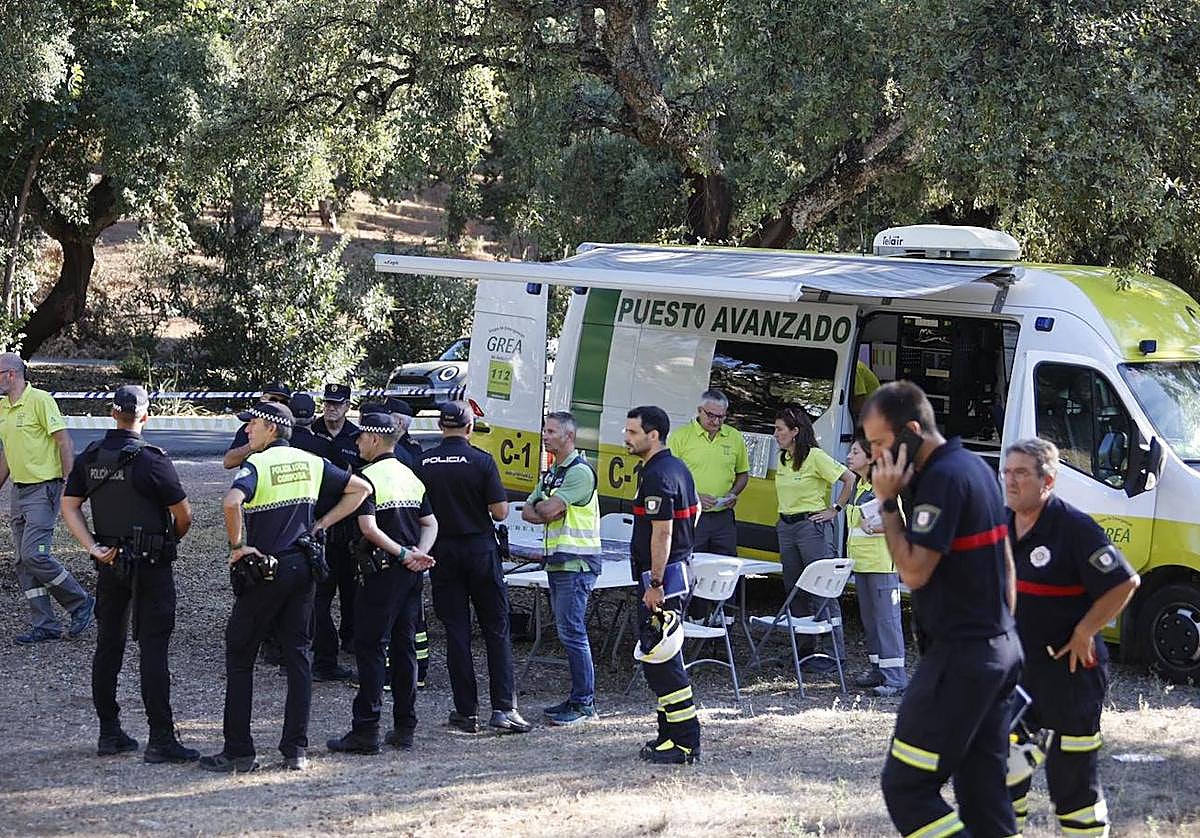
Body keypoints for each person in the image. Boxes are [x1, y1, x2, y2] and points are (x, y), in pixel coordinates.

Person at [864, 381, 1022, 838]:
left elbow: (913, 572)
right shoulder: (973, 465)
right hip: (998, 649)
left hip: (961, 657)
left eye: (879, 443)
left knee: (907, 786)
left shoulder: (943, 479)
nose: (874, 455)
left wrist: (888, 504)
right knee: (982, 791)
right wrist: (1003, 633)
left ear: (911, 430)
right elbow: (1006, 562)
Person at [200, 402, 369, 773]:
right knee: (298, 657)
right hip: (304, 566)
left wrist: (236, 547)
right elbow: (360, 489)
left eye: (254, 425)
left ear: (272, 430)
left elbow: (231, 501)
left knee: (240, 654)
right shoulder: (310, 460)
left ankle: (239, 751)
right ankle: (296, 750)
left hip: (266, 568)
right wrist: (321, 523)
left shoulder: (257, 464)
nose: (248, 431)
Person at [1003, 438, 1138, 837]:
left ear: (1048, 480)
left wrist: (1085, 631)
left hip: (1070, 675)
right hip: (1017, 676)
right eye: (1007, 472)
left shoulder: (1075, 528)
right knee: (1005, 774)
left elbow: (1124, 583)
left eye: (1021, 473)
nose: (1011, 481)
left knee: (1073, 786)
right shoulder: (1000, 525)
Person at [60, 385, 198, 762]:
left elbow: (69, 506)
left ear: (111, 413)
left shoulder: (91, 456)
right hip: (151, 565)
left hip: (109, 563)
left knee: (108, 645)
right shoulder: (152, 460)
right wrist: (169, 540)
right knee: (153, 649)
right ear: (145, 417)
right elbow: (183, 515)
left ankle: (109, 732)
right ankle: (161, 740)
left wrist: (92, 548)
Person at [328, 412, 437, 755]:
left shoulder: (366, 478)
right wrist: (419, 553)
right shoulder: (410, 475)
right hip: (410, 573)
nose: (356, 442)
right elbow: (431, 523)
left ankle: (366, 730)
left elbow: (369, 529)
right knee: (404, 648)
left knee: (371, 648)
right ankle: (405, 727)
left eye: (360, 437)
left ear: (374, 440)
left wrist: (404, 552)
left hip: (381, 572)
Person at [420, 401, 531, 734]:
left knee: (457, 633)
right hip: (480, 550)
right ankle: (503, 708)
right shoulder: (481, 461)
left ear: (441, 428)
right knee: (496, 629)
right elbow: (499, 512)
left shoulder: (422, 462)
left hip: (442, 552)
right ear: (469, 428)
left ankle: (466, 712)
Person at [625, 405, 702, 765]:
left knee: (662, 660)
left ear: (653, 435)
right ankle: (668, 734)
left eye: (632, 432)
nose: (626, 438)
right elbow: (697, 508)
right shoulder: (676, 467)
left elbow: (663, 531)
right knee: (660, 658)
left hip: (664, 580)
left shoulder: (658, 474)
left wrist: (655, 582)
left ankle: (685, 742)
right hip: (675, 570)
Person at [0, 352, 94, 644]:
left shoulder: (40, 400)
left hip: (44, 488)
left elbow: (64, 441)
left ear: (11, 375)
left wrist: (69, 484)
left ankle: (80, 602)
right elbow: (6, 453)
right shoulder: (3, 408)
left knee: (35, 554)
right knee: (22, 561)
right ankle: (45, 624)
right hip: (20, 490)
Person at [522, 411, 601, 726]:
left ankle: (584, 704)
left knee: (573, 633)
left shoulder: (579, 473)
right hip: (559, 563)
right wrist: (545, 509)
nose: (545, 435)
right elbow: (529, 512)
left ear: (568, 436)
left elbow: (549, 508)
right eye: (545, 429)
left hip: (576, 565)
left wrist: (545, 507)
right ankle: (577, 699)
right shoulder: (554, 472)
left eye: (551, 431)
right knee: (569, 632)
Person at [772, 405, 854, 669]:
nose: (775, 434)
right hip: (786, 526)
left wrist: (835, 509)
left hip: (811, 527)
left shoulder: (816, 457)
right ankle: (804, 650)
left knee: (822, 588)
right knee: (795, 589)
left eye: (779, 429)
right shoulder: (783, 458)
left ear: (795, 431)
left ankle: (833, 655)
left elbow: (849, 478)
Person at [844, 436, 907, 697]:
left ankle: (896, 678)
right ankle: (877, 670)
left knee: (887, 621)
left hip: (881, 564)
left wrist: (875, 527)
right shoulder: (860, 487)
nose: (849, 456)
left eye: (855, 452)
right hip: (862, 563)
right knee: (870, 620)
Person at [311, 382, 362, 680]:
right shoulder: (311, 433)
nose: (331, 408)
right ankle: (321, 645)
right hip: (317, 520)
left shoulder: (356, 436)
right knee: (321, 589)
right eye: (328, 403)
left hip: (348, 522)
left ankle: (350, 637)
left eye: (337, 404)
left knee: (350, 585)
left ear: (347, 406)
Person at [666, 389, 749, 556]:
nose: (716, 421)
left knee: (726, 567)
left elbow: (743, 474)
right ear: (699, 411)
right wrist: (695, 497)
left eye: (721, 417)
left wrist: (732, 494)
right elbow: (669, 480)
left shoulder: (734, 437)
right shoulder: (680, 437)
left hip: (723, 518)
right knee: (689, 564)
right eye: (711, 415)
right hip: (691, 515)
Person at [222, 382, 291, 470]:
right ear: (263, 399)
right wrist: (254, 444)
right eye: (273, 399)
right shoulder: (250, 429)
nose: (278, 404)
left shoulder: (292, 428)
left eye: (283, 402)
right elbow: (228, 462)